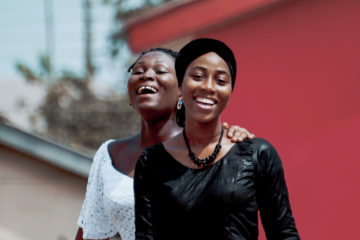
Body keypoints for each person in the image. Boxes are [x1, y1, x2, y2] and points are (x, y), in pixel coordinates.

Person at [75, 47, 255, 240]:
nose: (147, 76)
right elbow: (90, 234)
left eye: (160, 71)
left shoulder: (213, 149)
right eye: (138, 71)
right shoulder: (110, 155)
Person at [134, 39, 300, 240]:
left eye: (221, 81)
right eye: (198, 76)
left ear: (230, 91)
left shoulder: (257, 154)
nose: (209, 87)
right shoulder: (151, 162)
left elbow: (284, 234)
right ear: (180, 84)